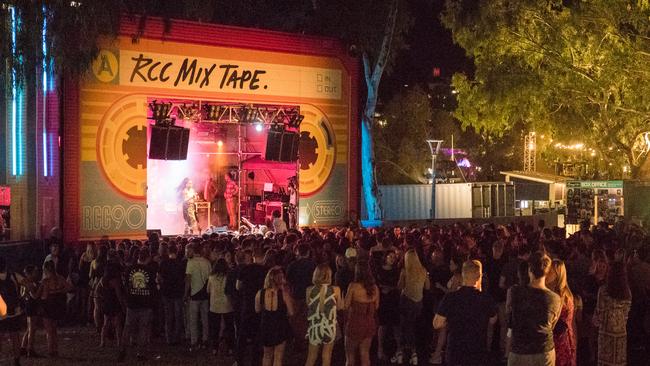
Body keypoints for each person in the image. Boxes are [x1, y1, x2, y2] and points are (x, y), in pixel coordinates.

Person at [433, 260, 498, 366]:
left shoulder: (451, 298)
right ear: (478, 277)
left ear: (463, 275)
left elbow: (436, 324)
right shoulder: (486, 298)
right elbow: (493, 320)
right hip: (477, 352)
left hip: (455, 351)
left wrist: (448, 322)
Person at [508, 251, 561, 366]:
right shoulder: (555, 299)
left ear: (530, 270)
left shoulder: (515, 292)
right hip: (543, 350)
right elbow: (552, 324)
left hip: (519, 349)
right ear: (547, 272)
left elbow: (510, 316)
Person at [393, 248, 430, 365]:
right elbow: (428, 287)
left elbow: (399, 287)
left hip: (406, 300)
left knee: (403, 326)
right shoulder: (423, 270)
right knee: (412, 326)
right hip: (418, 301)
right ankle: (414, 354)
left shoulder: (405, 271)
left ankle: (401, 352)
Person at [119, 247, 156, 362]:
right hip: (145, 304)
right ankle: (140, 353)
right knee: (143, 329)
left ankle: (122, 351)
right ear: (148, 257)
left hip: (132, 303)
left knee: (128, 328)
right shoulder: (150, 271)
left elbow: (125, 285)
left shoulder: (130, 269)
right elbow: (153, 287)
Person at [593, 261, 632, 366]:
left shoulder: (603, 290)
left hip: (606, 329)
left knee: (605, 359)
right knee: (618, 359)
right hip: (620, 330)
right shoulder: (627, 292)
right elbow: (626, 314)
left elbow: (599, 311)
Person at [305, 264, 343, 366]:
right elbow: (340, 307)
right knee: (326, 356)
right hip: (329, 326)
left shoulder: (309, 290)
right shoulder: (336, 290)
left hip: (315, 326)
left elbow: (309, 306)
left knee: (311, 357)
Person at [255, 266, 294, 366]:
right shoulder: (284, 294)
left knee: (267, 355)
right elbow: (291, 312)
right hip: (280, 326)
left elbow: (257, 309)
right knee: (278, 356)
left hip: (266, 326)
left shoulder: (260, 293)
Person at [236, 249, 267, 366]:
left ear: (253, 257)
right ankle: (255, 360)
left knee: (242, 334)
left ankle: (239, 359)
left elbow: (238, 286)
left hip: (247, 304)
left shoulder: (245, 269)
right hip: (261, 305)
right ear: (263, 258)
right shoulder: (265, 270)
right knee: (258, 334)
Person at [345, 263, 379, 366]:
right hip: (369, 322)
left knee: (350, 356)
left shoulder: (353, 286)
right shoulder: (375, 288)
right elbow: (376, 306)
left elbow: (346, 305)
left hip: (355, 322)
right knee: (365, 354)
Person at [546, 260, 576, 366]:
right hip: (562, 338)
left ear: (557, 274)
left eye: (550, 271)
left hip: (560, 340)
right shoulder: (563, 293)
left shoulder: (561, 296)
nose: (547, 273)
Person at [40, 259, 73, 357]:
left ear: (45, 269)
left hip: (48, 306)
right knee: (54, 329)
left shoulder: (46, 281)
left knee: (49, 330)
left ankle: (51, 350)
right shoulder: (60, 278)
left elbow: (44, 296)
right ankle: (56, 349)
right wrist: (60, 291)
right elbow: (70, 288)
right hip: (58, 305)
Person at [286, 243, 316, 349]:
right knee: (309, 317)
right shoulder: (313, 264)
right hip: (311, 295)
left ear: (297, 252)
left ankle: (299, 339)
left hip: (297, 295)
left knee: (296, 318)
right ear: (308, 252)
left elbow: (288, 281)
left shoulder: (293, 265)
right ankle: (307, 338)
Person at [185, 242, 212, 351]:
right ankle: (205, 339)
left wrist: (185, 293)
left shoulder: (190, 263)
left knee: (193, 320)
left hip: (194, 294)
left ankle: (194, 341)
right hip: (205, 294)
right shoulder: (207, 262)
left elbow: (188, 279)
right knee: (205, 319)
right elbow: (210, 279)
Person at [375, 249, 400, 362]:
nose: (392, 259)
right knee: (382, 324)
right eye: (390, 256)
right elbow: (375, 285)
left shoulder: (397, 271)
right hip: (383, 300)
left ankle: (398, 349)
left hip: (394, 300)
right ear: (385, 257)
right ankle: (380, 349)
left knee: (396, 325)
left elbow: (400, 286)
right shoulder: (378, 270)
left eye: (394, 257)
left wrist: (389, 288)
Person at [158, 244, 185, 345]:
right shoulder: (180, 263)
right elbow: (184, 278)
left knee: (168, 316)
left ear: (168, 252)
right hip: (178, 293)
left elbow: (159, 277)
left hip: (167, 292)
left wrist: (163, 284)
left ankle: (169, 338)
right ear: (177, 251)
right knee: (178, 316)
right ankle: (177, 337)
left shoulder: (164, 263)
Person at [0, 257, 25, 366]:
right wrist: (22, 295)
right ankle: (17, 361)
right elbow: (28, 285)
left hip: (1, 313)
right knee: (15, 336)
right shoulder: (14, 276)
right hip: (14, 311)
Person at [207, 259, 235, 356]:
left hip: (215, 305)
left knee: (215, 327)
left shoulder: (211, 277)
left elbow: (208, 290)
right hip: (227, 305)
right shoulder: (228, 277)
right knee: (230, 327)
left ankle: (215, 348)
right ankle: (231, 347)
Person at [98, 261, 126, 348]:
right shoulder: (115, 281)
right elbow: (119, 294)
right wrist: (123, 305)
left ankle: (102, 341)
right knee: (118, 324)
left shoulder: (103, 279)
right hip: (114, 303)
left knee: (106, 323)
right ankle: (119, 342)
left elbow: (98, 290)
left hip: (106, 302)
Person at [20, 265, 41, 358]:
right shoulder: (29, 283)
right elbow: (34, 296)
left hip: (29, 305)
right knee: (32, 329)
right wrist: (41, 288)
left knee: (29, 328)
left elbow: (23, 295)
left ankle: (23, 348)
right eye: (35, 271)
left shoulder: (26, 281)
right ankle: (30, 350)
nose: (36, 273)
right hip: (31, 306)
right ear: (30, 273)